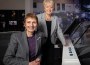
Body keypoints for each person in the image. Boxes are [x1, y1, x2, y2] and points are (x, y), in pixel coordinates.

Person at [37, 0, 67, 65]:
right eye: (47, 7)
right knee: (41, 62)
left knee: (51, 61)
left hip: (51, 43)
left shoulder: (55, 18)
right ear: (44, 8)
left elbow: (59, 31)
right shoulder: (38, 17)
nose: (49, 9)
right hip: (40, 44)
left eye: (51, 7)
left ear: (53, 8)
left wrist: (64, 43)